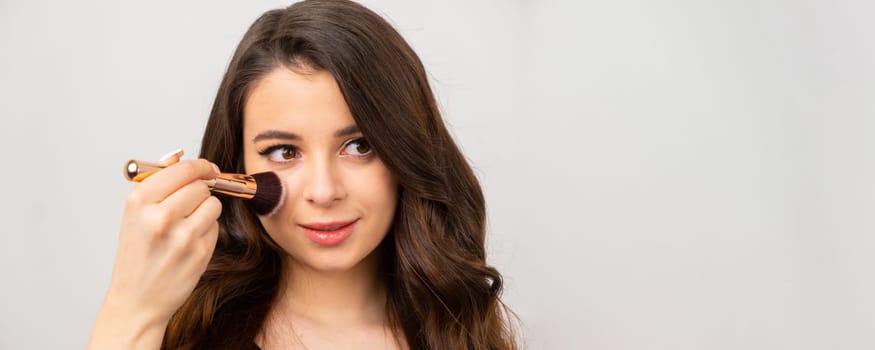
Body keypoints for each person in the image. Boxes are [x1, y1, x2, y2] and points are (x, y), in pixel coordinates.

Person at [87, 0, 518, 349]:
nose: (324, 191)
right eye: (283, 152)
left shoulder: (461, 330)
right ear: (238, 167)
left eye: (359, 146)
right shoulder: (188, 337)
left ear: (406, 151)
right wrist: (130, 313)